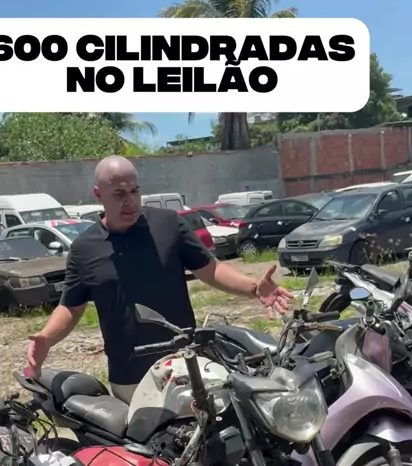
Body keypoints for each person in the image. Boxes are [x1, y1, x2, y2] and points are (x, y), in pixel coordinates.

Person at [27, 156, 294, 401]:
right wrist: (46, 337)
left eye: (135, 191)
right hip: (130, 377)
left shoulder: (168, 224)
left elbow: (210, 270)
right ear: (98, 194)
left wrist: (253, 287)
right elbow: (71, 307)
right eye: (119, 194)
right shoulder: (84, 248)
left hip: (185, 365)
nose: (130, 201)